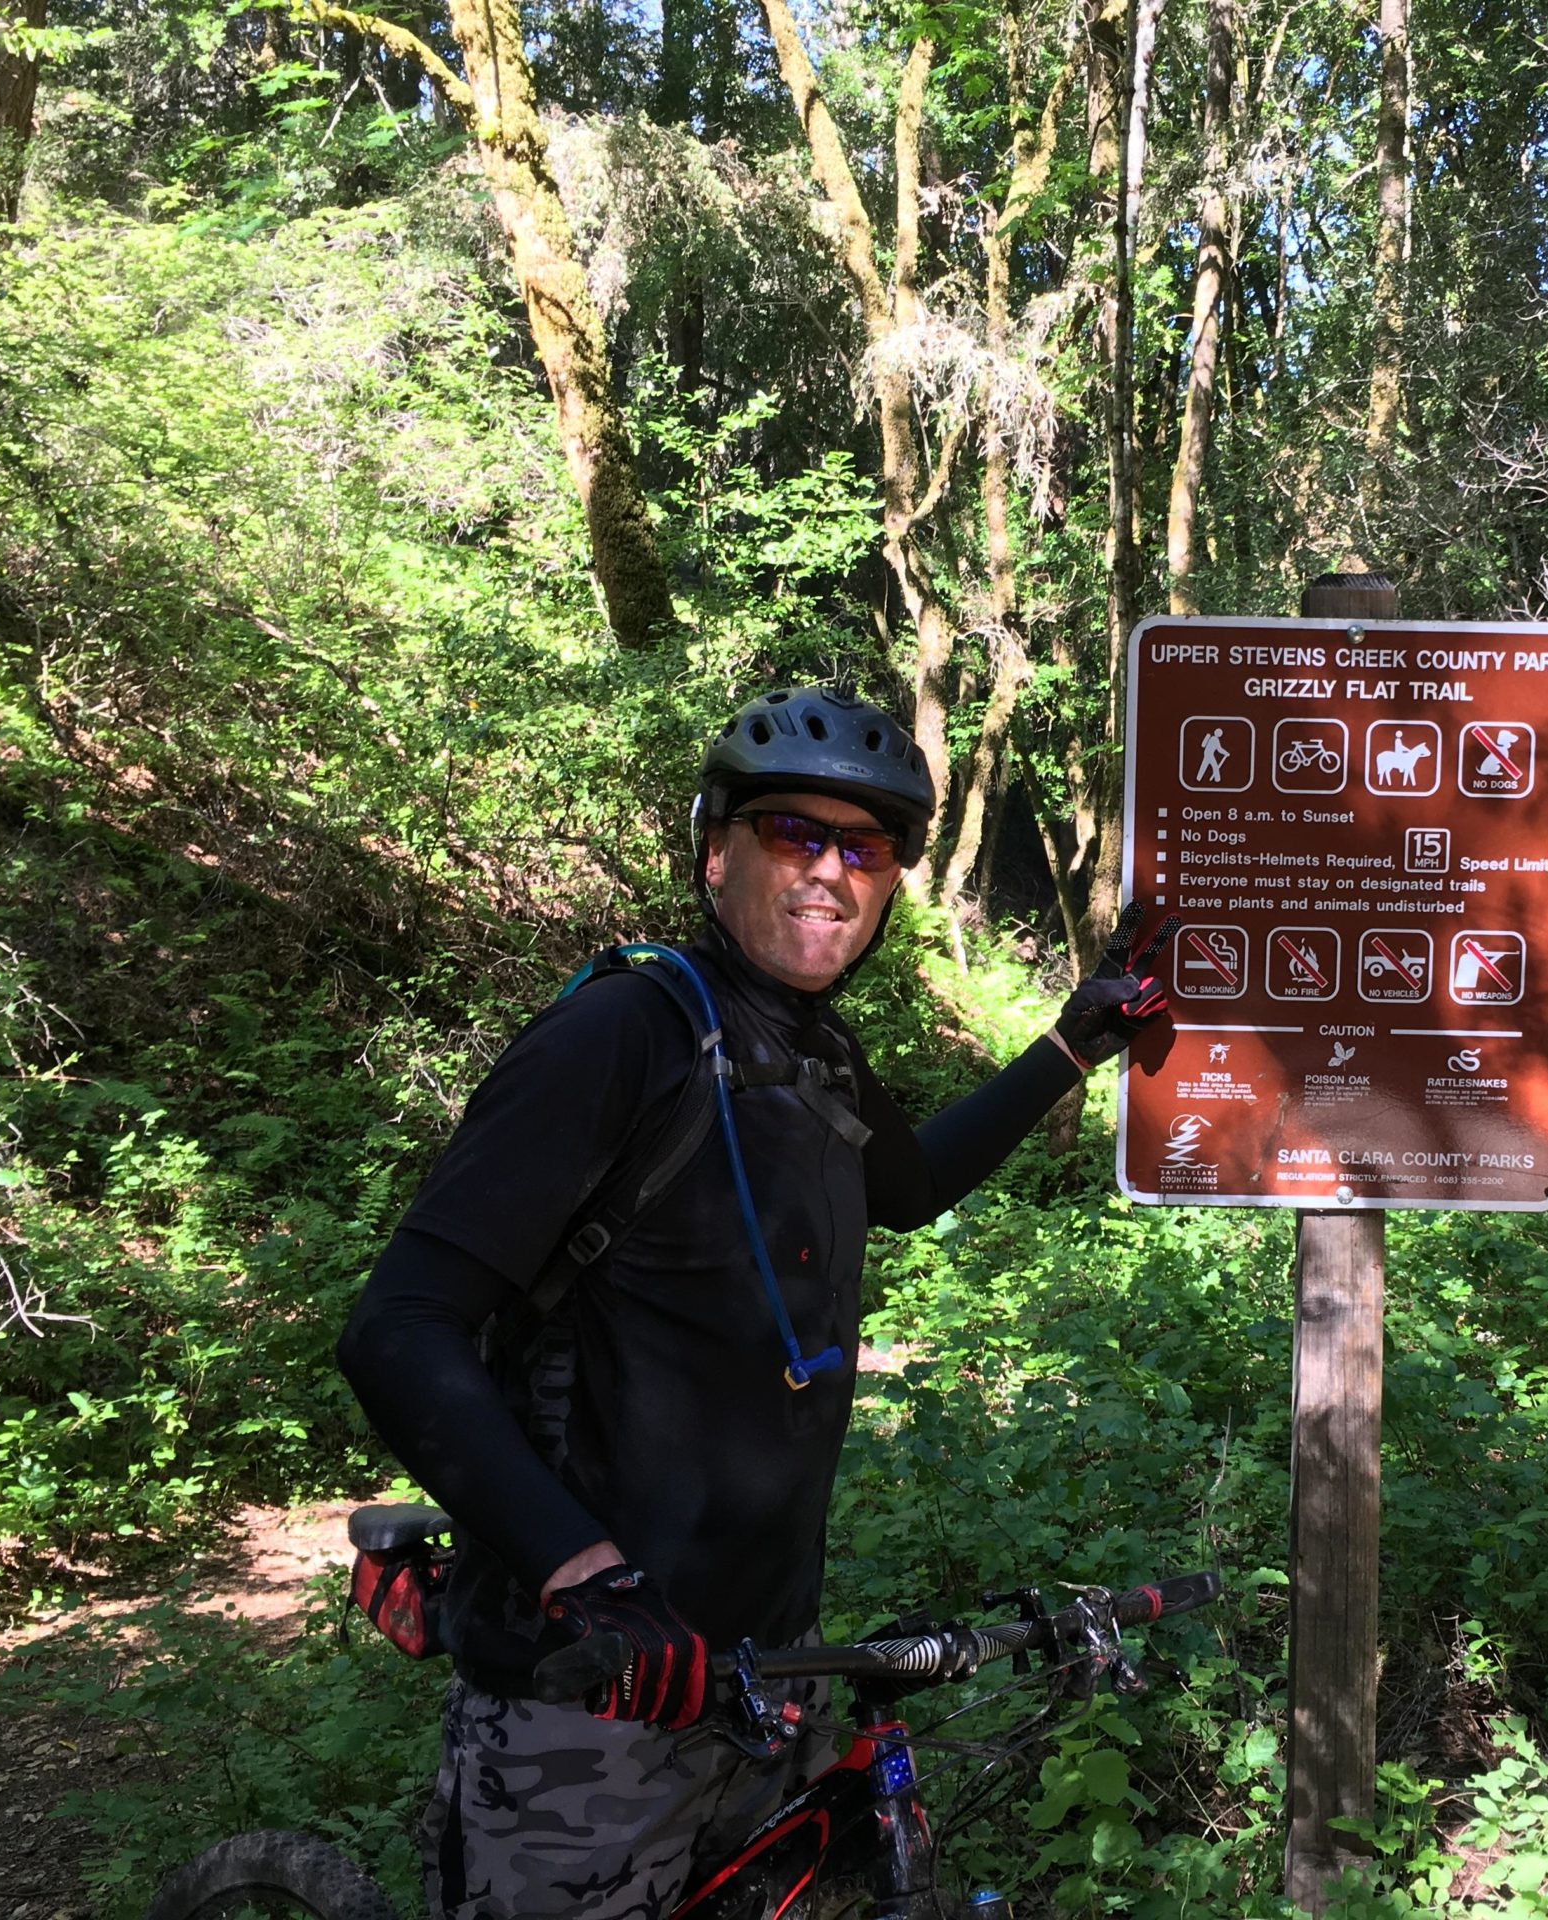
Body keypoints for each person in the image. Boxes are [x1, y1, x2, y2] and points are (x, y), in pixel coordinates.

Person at [336, 687, 1172, 1920]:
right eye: (793, 833)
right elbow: (398, 1327)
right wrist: (585, 1573)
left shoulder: (811, 1051)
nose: (830, 869)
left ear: (889, 887)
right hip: (592, 1692)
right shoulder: (626, 1034)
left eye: (866, 846)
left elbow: (914, 1186)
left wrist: (1069, 1044)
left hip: (761, 1672)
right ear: (714, 849)